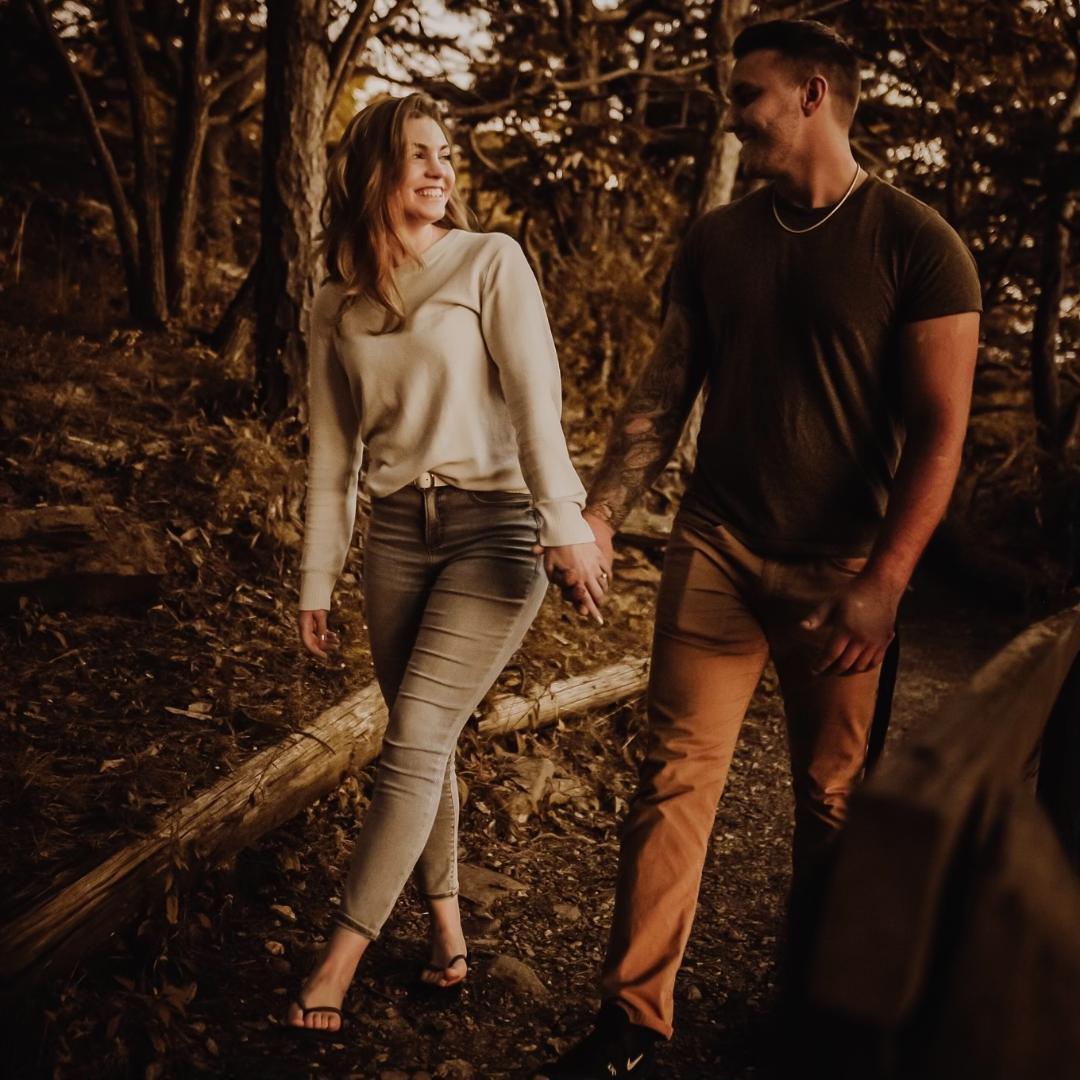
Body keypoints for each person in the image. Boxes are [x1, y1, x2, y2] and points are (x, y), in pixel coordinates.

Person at [542, 19, 982, 1079]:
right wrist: (601, 511)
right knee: (673, 778)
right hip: (719, 547)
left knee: (831, 802)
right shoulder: (718, 241)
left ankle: (811, 1017)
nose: (730, 114)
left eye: (747, 95)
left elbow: (941, 432)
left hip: (844, 572)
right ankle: (631, 1019)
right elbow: (664, 391)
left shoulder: (920, 245)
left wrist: (886, 581)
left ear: (813, 94)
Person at [287, 92, 607, 1034]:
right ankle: (447, 931)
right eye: (419, 153)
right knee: (425, 741)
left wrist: (562, 521)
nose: (441, 168)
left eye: (446, 153)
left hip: (496, 531)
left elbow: (536, 400)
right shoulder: (336, 303)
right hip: (395, 537)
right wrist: (316, 577)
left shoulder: (488, 259)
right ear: (373, 172)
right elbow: (333, 456)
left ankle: (339, 958)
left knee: (417, 737)